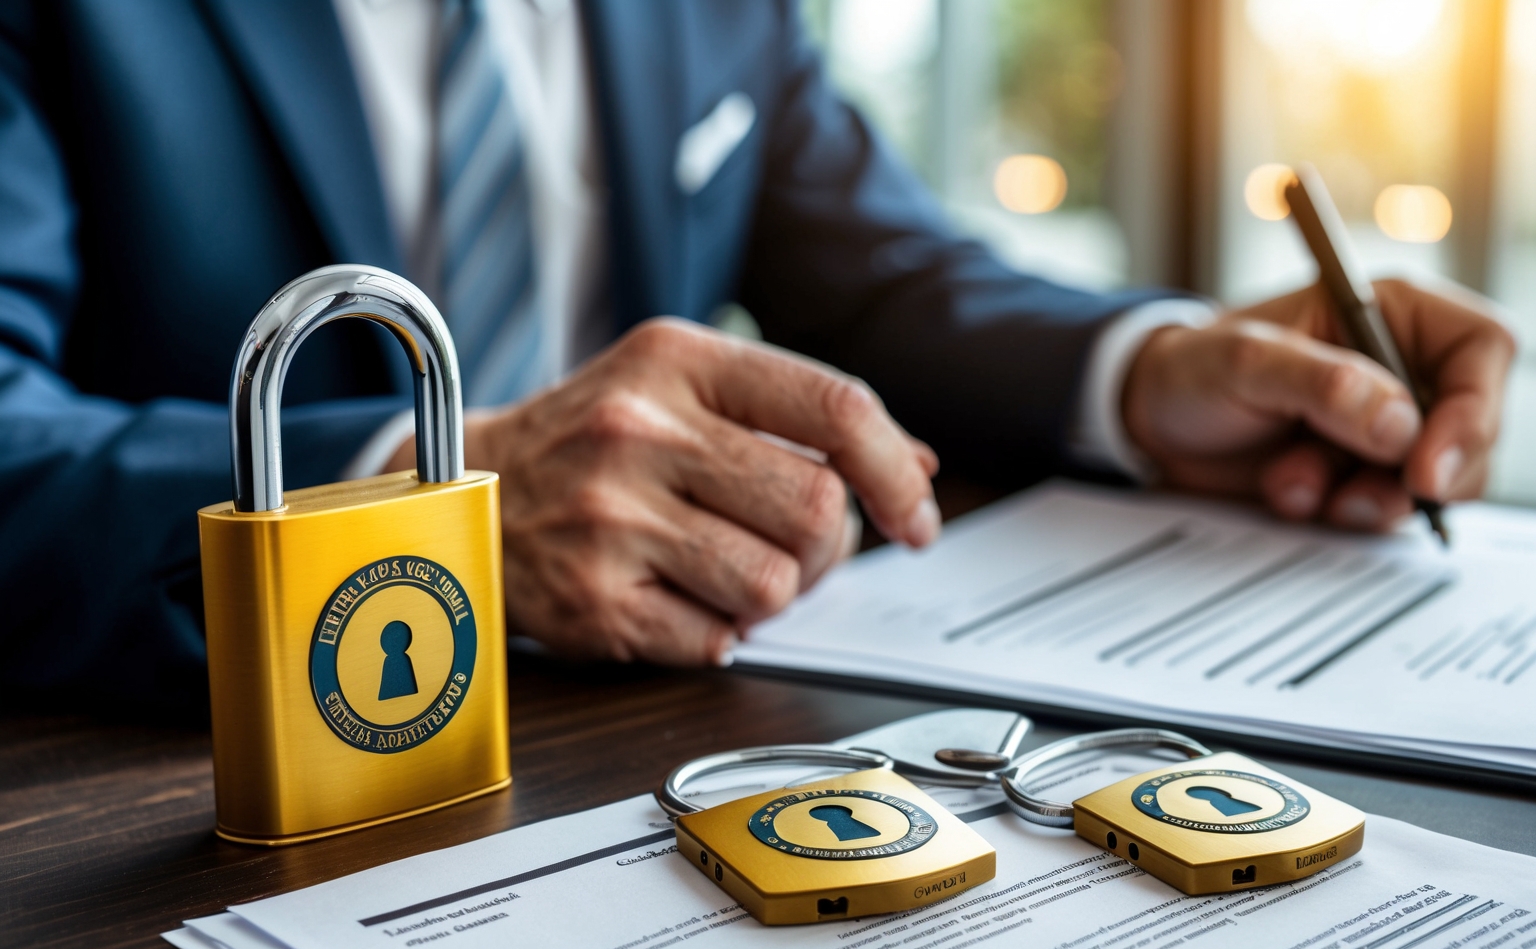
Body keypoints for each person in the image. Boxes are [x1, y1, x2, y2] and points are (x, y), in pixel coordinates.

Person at [0, 0, 1513, 713]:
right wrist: (427, 508)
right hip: (195, 774)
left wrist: (1149, 373)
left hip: (659, 716)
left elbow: (884, 274)